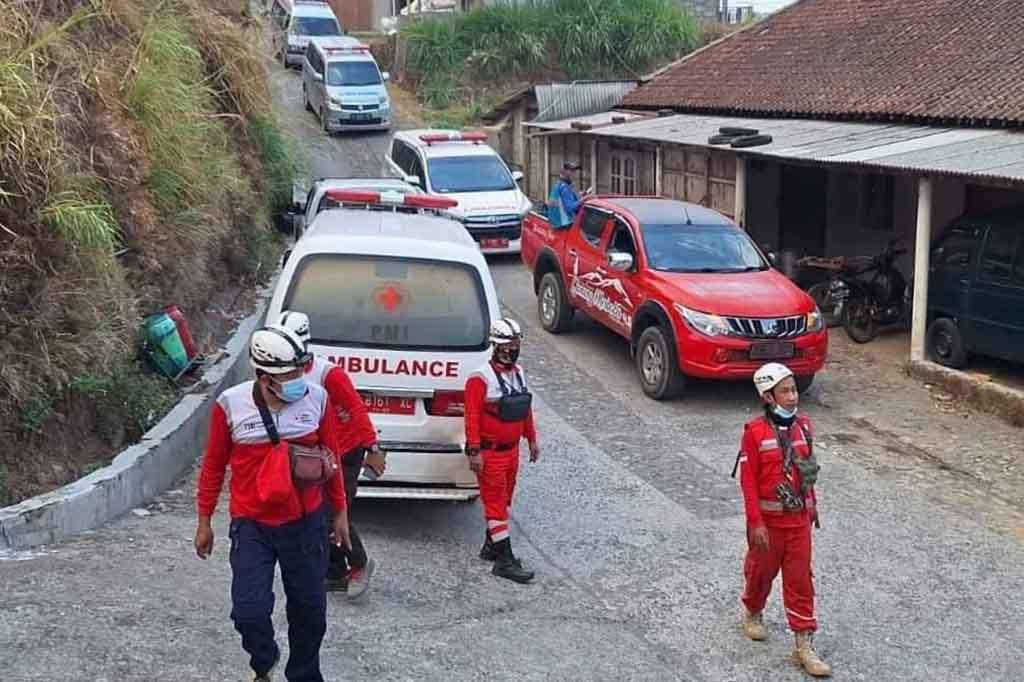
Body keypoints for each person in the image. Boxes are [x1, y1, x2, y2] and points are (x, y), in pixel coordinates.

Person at [194, 325, 350, 682]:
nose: (300, 381)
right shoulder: (230, 405)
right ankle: (264, 662)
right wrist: (204, 520)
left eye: (301, 371)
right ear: (264, 378)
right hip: (252, 526)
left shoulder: (317, 399)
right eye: (290, 376)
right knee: (248, 610)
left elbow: (332, 457)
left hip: (306, 523)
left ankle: (304, 675)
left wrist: (340, 510)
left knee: (310, 612)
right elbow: (214, 466)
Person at [278, 310, 385, 599]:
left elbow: (356, 409)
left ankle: (359, 563)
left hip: (345, 451)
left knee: (332, 513)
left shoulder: (329, 375)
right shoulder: (280, 373)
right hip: (311, 454)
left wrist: (373, 448)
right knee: (312, 513)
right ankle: (335, 572)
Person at [735, 362, 831, 677]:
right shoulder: (754, 433)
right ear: (768, 396)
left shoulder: (804, 427)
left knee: (801, 580)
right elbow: (748, 482)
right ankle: (753, 610)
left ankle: (804, 644)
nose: (792, 397)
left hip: (798, 521)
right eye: (785, 391)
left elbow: (807, 472)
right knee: (760, 573)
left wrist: (812, 506)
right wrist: (756, 523)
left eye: (793, 390)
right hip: (769, 525)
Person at [464, 317, 540, 584]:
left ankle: (491, 546)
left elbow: (524, 408)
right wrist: (474, 451)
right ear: (496, 346)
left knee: (505, 500)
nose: (513, 350)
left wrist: (531, 438)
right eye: (509, 346)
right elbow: (472, 416)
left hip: (511, 451)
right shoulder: (480, 379)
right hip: (491, 453)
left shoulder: (518, 373)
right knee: (496, 505)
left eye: (516, 345)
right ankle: (505, 561)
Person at [547, 162, 585, 228]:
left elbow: (563, 202)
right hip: (565, 225)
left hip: (555, 223)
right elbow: (570, 208)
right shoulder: (564, 188)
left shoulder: (558, 184)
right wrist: (583, 199)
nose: (575, 174)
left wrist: (579, 197)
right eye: (572, 171)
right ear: (566, 173)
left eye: (575, 172)